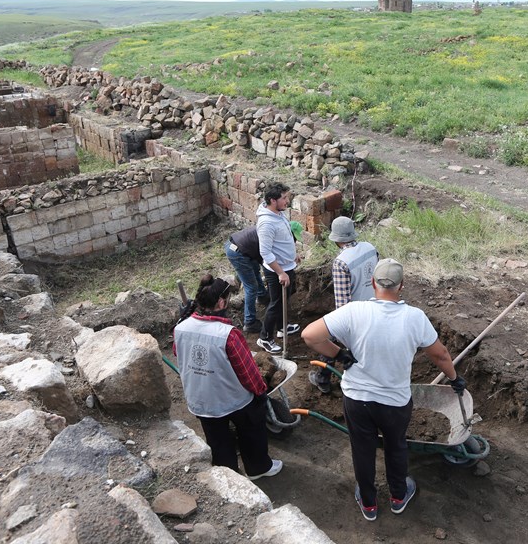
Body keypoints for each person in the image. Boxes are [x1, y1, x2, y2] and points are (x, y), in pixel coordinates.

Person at [301, 258, 465, 521]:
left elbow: (310, 335)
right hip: (395, 403)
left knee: (362, 449)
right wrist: (455, 378)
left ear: (373, 283)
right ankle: (399, 496)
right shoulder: (415, 317)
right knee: (396, 446)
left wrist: (340, 355)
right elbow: (441, 355)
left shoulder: (353, 311)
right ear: (402, 285)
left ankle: (368, 503)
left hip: (357, 399)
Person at [172, 274, 282, 480]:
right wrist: (260, 392)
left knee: (217, 439)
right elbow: (246, 371)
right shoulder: (228, 334)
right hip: (233, 399)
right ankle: (258, 468)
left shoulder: (180, 328)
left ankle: (229, 475)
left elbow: (179, 353)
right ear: (221, 302)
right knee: (251, 429)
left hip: (200, 400)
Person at [309, 216, 379, 394]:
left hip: (356, 314)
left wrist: (340, 332)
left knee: (329, 339)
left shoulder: (341, 262)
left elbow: (342, 306)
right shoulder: (370, 248)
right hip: (375, 308)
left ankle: (323, 379)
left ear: (336, 240)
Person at [256, 181, 300, 354]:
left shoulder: (279, 214)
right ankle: (265, 337)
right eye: (283, 198)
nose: (287, 201)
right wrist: (280, 272)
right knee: (275, 303)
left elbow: (284, 237)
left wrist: (293, 254)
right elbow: (265, 253)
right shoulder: (266, 223)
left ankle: (282, 328)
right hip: (276, 271)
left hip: (287, 265)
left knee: (284, 299)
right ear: (272, 200)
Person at [224, 226, 270, 334]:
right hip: (237, 251)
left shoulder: (271, 229)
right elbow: (267, 262)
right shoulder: (269, 236)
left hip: (243, 248)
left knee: (255, 270)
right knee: (251, 286)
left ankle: (262, 296)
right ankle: (249, 322)